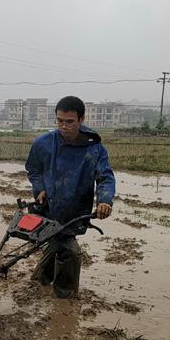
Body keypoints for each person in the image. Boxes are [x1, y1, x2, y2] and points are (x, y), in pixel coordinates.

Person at [24, 95, 115, 298]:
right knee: (67, 248)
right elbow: (33, 169)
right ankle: (63, 299)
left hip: (76, 206)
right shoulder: (43, 143)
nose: (64, 126)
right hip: (49, 205)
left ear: (81, 120)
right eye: (60, 121)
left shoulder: (94, 148)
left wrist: (105, 201)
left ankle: (41, 284)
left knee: (61, 240)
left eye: (70, 122)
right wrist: (39, 188)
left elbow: (105, 177)